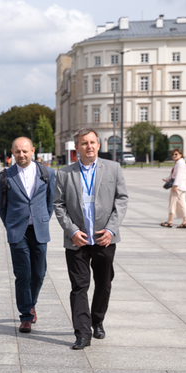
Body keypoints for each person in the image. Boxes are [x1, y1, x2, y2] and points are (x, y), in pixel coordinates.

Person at [54, 128, 128, 350]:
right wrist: (72, 231)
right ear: (77, 147)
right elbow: (58, 205)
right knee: (79, 286)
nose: (89, 146)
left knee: (104, 283)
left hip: (104, 238)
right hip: (77, 240)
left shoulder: (113, 169)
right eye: (84, 143)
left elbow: (122, 199)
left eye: (92, 142)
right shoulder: (64, 174)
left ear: (99, 145)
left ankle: (97, 321)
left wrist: (111, 230)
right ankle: (82, 333)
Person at [0, 137, 55, 333]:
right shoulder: (6, 176)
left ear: (33, 151)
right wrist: (10, 225)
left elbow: (51, 201)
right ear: (12, 152)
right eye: (18, 151)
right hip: (17, 232)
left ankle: (31, 303)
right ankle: (26, 315)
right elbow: (0, 205)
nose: (21, 155)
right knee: (23, 274)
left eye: (25, 151)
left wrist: (43, 219)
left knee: (38, 273)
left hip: (39, 230)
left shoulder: (47, 173)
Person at [161, 149, 186, 228]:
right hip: (182, 187)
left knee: (172, 204)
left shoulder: (180, 163)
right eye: (172, 154)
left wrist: (175, 186)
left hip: (178, 187)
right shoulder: (180, 162)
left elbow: (179, 175)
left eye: (176, 154)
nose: (174, 156)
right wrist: (168, 179)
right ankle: (185, 221)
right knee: (183, 204)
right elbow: (176, 175)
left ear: (180, 154)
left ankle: (170, 221)